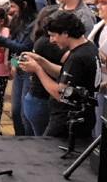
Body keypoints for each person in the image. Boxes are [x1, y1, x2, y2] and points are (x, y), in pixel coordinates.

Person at [20, 10, 101, 138]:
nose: (51, 40)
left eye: (53, 35)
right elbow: (68, 74)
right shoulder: (88, 47)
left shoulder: (77, 58)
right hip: (81, 118)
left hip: (66, 122)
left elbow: (61, 94)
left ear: (65, 33)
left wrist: (38, 70)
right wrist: (41, 61)